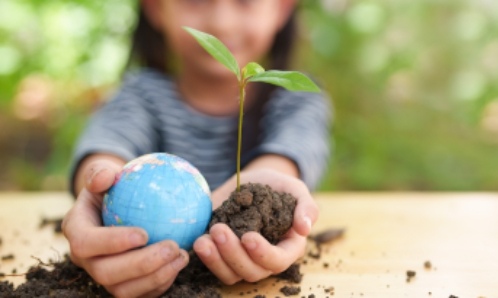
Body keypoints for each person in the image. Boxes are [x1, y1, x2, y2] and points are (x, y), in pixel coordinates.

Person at [62, 0, 332, 297]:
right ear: (155, 8)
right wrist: (99, 190)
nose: (221, 23)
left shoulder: (295, 101)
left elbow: (286, 157)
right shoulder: (140, 96)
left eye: (245, 1)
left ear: (281, 9)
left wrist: (263, 194)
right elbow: (106, 148)